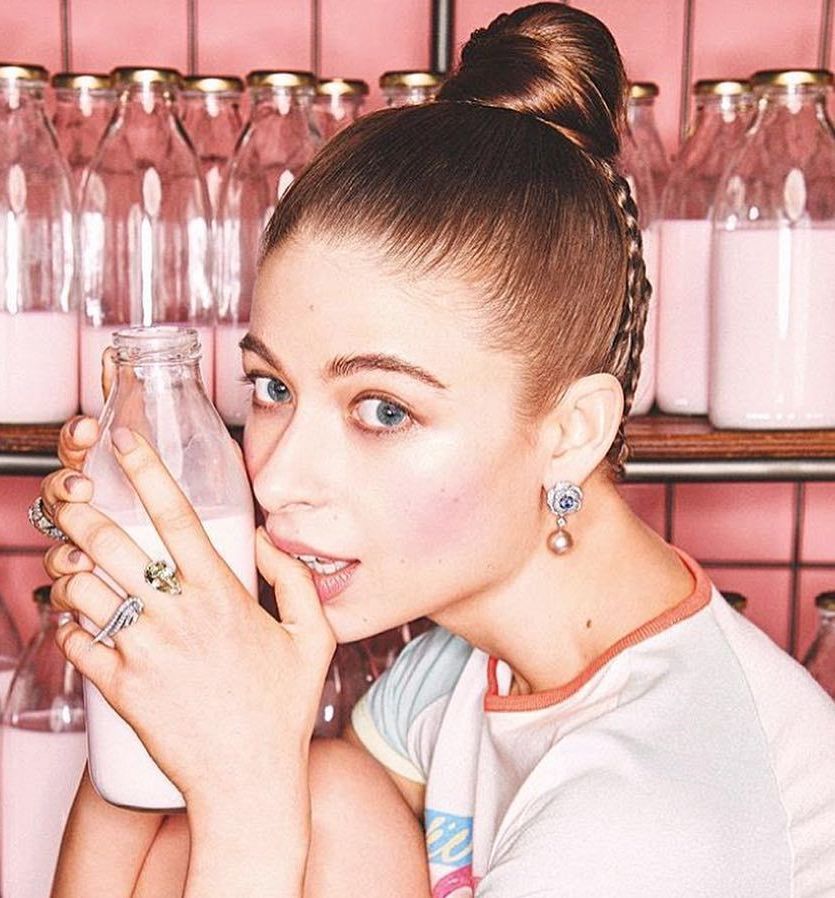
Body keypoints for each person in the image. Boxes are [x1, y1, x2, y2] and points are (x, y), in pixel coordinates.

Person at [35, 4, 835, 897]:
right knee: (326, 794)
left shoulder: (652, 817)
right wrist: (138, 677)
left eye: (383, 409)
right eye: (272, 389)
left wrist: (243, 792)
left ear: (570, 431)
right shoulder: (463, 667)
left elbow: (253, 832)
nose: (279, 477)